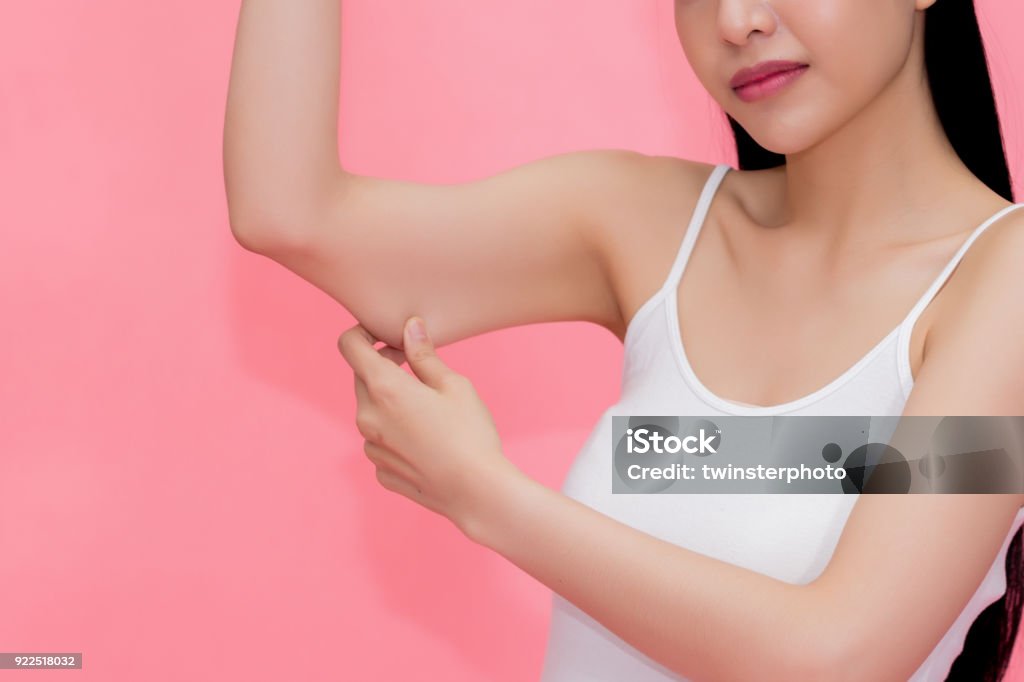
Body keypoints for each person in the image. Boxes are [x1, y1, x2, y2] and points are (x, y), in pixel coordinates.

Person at [222, 0, 1024, 679]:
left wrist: (484, 494)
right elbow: (288, 212)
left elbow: (839, 655)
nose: (736, 22)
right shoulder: (645, 226)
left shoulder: (1006, 283)